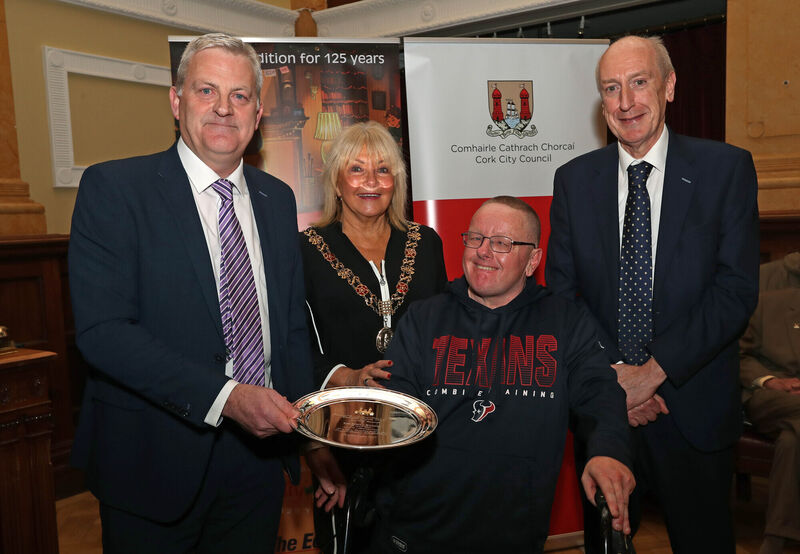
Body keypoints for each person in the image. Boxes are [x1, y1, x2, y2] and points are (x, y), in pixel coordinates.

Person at [68, 33, 337, 552]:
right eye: (206, 91)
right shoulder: (115, 190)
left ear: (257, 114)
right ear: (176, 101)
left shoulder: (276, 199)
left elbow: (286, 327)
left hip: (258, 463)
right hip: (153, 461)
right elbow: (104, 334)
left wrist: (309, 439)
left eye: (239, 96)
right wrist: (227, 398)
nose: (223, 108)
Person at [547, 35, 760, 552]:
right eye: (611, 89)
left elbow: (734, 291)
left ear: (669, 87)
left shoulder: (725, 170)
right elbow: (562, 293)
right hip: (605, 406)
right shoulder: (574, 181)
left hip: (694, 406)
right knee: (608, 544)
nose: (625, 103)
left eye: (639, 83)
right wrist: (617, 381)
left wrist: (652, 373)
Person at [369, 196, 634, 553]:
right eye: (475, 238)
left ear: (533, 261)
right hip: (417, 530)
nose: (483, 251)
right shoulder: (423, 318)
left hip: (516, 531)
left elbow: (600, 394)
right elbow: (396, 410)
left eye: (502, 243)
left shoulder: (565, 322)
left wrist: (608, 451)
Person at [299, 120, 448, 552]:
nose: (371, 182)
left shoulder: (427, 242)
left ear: (396, 181)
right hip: (341, 436)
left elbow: (446, 334)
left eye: (383, 170)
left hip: (423, 439)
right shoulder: (305, 249)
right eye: (357, 169)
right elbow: (290, 346)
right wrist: (314, 445)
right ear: (336, 181)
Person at [740, 251, 800, 554]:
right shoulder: (768, 299)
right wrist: (770, 381)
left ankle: (776, 537)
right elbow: (737, 355)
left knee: (793, 440)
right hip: (769, 395)